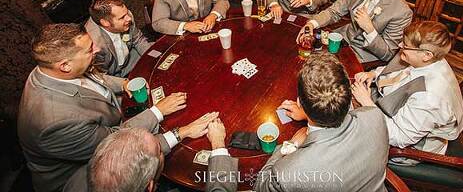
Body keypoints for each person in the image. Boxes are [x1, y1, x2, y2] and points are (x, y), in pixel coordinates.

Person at [17, 23, 216, 192]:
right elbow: (117, 144)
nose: (96, 50)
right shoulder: (55, 122)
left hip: (112, 127)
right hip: (86, 176)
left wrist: (122, 84)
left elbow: (93, 77)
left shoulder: (50, 69)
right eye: (89, 50)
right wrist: (165, 119)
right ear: (65, 65)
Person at [261, 53, 389, 191]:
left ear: (299, 103)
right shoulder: (375, 115)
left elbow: (261, 186)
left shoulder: (289, 172)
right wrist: (307, 114)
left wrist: (289, 146)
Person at [351, 21, 463, 161]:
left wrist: (367, 103)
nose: (400, 46)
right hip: (389, 113)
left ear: (426, 55)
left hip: (408, 150)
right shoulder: (431, 60)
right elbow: (403, 72)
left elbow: (399, 138)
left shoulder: (429, 98)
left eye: (405, 46)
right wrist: (373, 74)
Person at [63, 118, 236, 192]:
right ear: (150, 186)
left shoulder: (77, 179)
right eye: (159, 151)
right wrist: (218, 144)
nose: (160, 146)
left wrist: (183, 132)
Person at [85, 0, 152, 77]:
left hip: (130, 58)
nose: (129, 18)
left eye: (127, 13)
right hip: (112, 74)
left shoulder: (127, 16)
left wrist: (153, 58)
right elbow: (100, 76)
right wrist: (123, 84)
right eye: (122, 17)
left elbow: (138, 40)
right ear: (105, 23)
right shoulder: (94, 44)